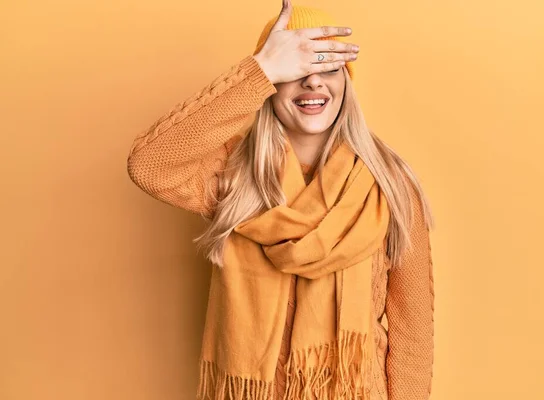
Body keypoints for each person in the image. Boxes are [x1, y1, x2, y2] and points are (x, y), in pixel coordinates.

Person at [127, 1, 435, 399]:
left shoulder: (389, 185)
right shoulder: (234, 177)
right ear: (272, 84)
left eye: (327, 68)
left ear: (346, 81)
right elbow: (150, 165)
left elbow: (412, 333)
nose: (313, 83)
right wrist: (259, 72)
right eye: (297, 70)